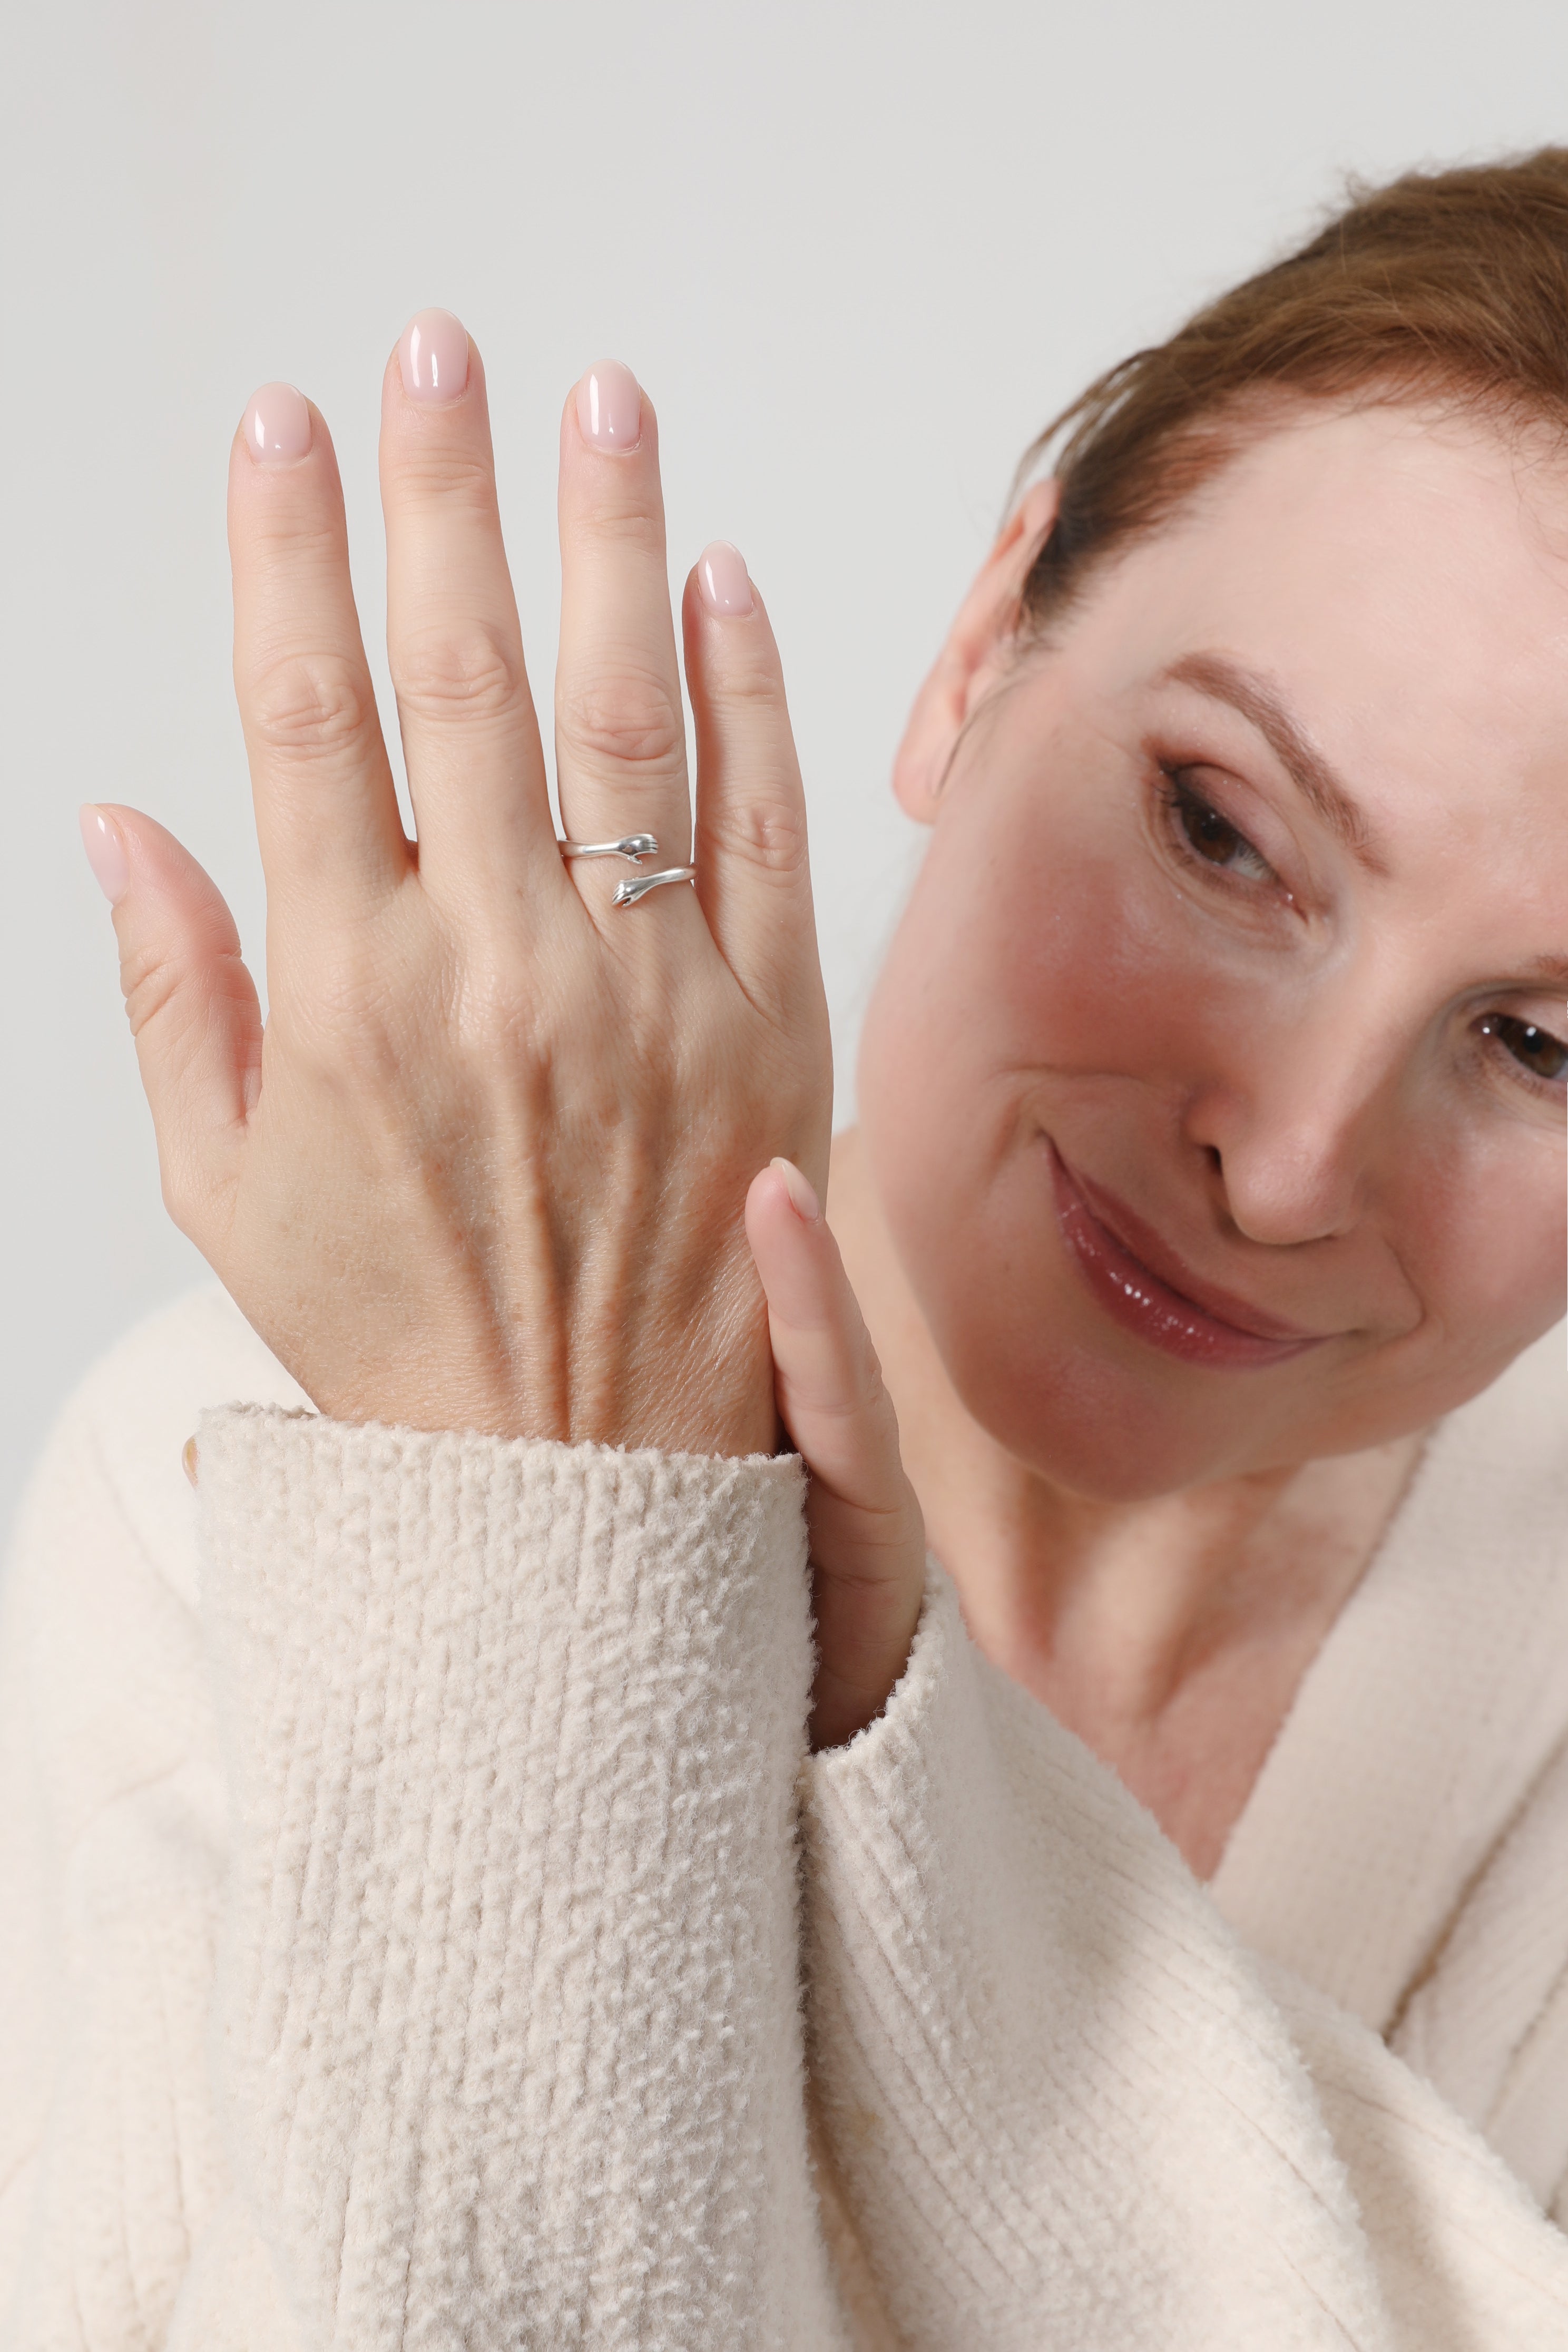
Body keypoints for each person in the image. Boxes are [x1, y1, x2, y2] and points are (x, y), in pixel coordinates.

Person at [2, 150, 1567, 2349]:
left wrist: (787, 1690)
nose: (1290, 1165)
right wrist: (557, 1532)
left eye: (1536, 1042)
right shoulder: (211, 1490)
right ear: (981, 646)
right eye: (1223, 830)